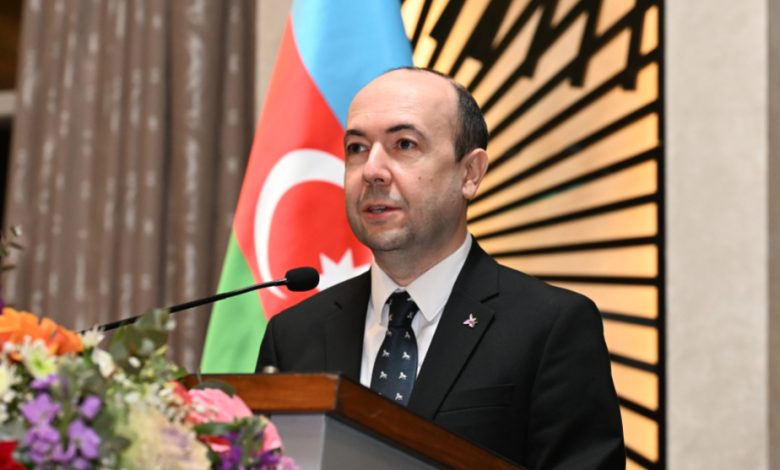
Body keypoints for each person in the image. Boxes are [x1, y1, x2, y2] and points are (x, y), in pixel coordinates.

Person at [257, 67, 625, 469]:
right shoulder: (294, 335)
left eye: (404, 144)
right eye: (357, 148)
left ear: (470, 174)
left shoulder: (550, 327)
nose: (372, 170)